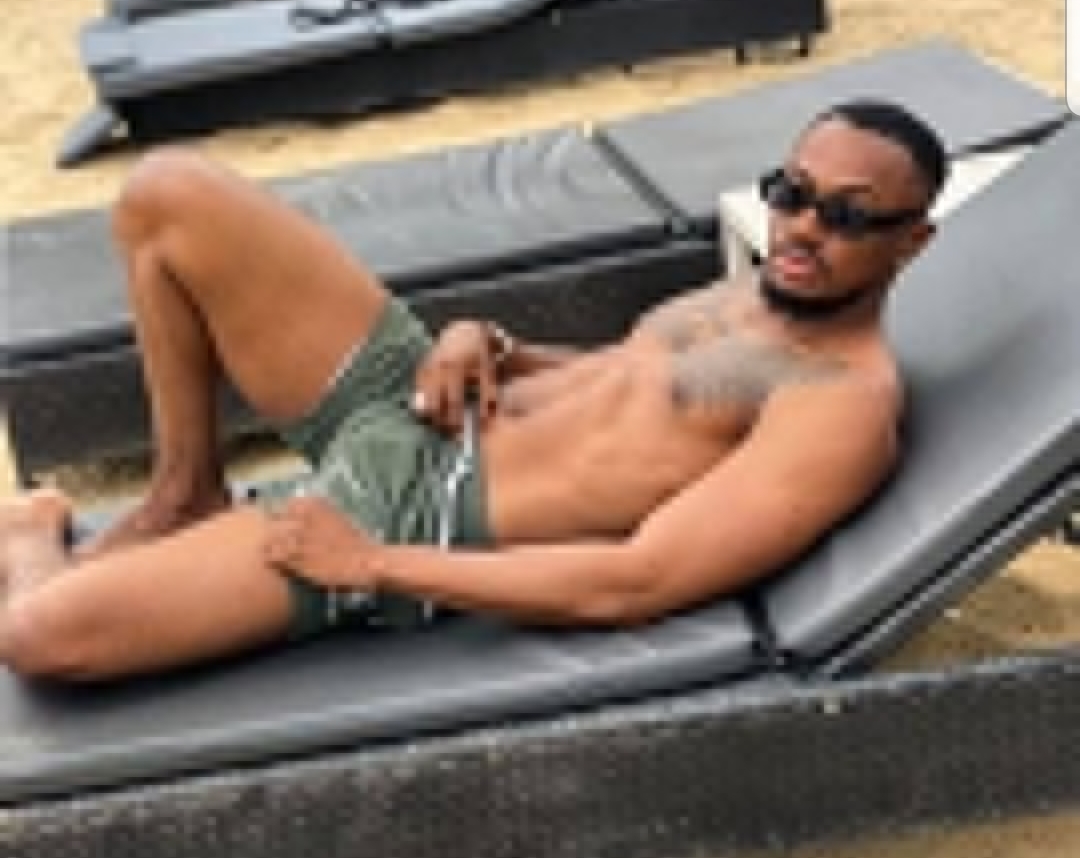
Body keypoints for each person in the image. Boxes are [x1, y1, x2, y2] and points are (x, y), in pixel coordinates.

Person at [0, 99, 947, 685]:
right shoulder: (753, 290)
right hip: (418, 400)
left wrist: (374, 563)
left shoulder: (840, 405)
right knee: (165, 194)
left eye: (847, 215)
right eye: (792, 192)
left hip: (415, 511)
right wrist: (494, 344)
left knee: (40, 634)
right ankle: (184, 491)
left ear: (913, 242)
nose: (803, 227)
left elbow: (634, 581)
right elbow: (624, 388)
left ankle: (34, 535)